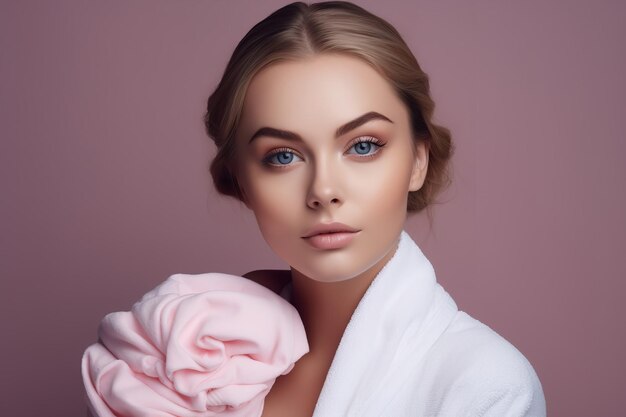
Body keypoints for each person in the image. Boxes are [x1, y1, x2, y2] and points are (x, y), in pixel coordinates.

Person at [82, 2, 546, 416]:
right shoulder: (189, 352)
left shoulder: (486, 386)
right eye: (282, 155)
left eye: (363, 146)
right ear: (241, 181)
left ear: (418, 161)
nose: (324, 190)